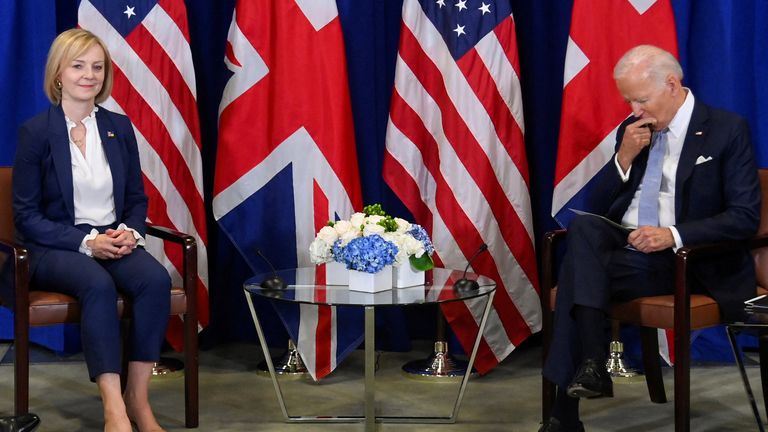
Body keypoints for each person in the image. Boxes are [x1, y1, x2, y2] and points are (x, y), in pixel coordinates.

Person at [540, 45, 761, 431]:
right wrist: (622, 160)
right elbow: (597, 208)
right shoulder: (633, 131)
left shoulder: (727, 129)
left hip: (686, 258)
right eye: (629, 100)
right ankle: (592, 364)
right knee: (585, 228)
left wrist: (671, 234)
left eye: (641, 99)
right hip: (624, 249)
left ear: (672, 85)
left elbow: (744, 218)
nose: (635, 110)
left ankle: (566, 413)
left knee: (578, 275)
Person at [12, 29, 171, 432]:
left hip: (111, 237)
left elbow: (136, 198)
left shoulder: (119, 127)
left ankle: (138, 399)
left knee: (154, 279)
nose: (90, 75)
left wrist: (130, 234)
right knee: (97, 284)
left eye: (97, 67)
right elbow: (26, 216)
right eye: (79, 65)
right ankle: (113, 407)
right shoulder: (36, 133)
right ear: (59, 74)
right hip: (55, 244)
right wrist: (86, 242)